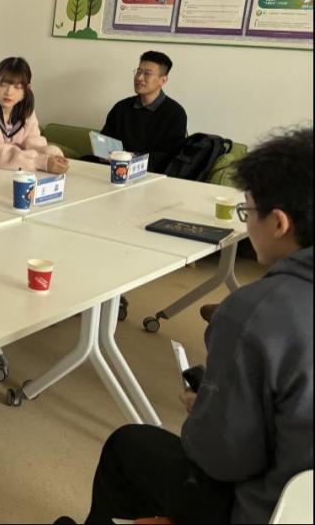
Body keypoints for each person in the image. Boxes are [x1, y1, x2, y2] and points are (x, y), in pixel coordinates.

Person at [57, 127, 313, 525]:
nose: (247, 224)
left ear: (279, 223)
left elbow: (221, 458)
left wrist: (206, 413)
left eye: (247, 213)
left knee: (129, 446)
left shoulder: (255, 313)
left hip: (271, 510)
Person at [99, 51, 187, 173]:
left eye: (147, 74)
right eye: (139, 72)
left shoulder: (175, 113)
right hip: (113, 169)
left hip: (151, 173)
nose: (139, 78)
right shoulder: (121, 107)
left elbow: (169, 156)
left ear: (163, 80)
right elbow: (106, 140)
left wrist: (132, 158)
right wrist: (103, 152)